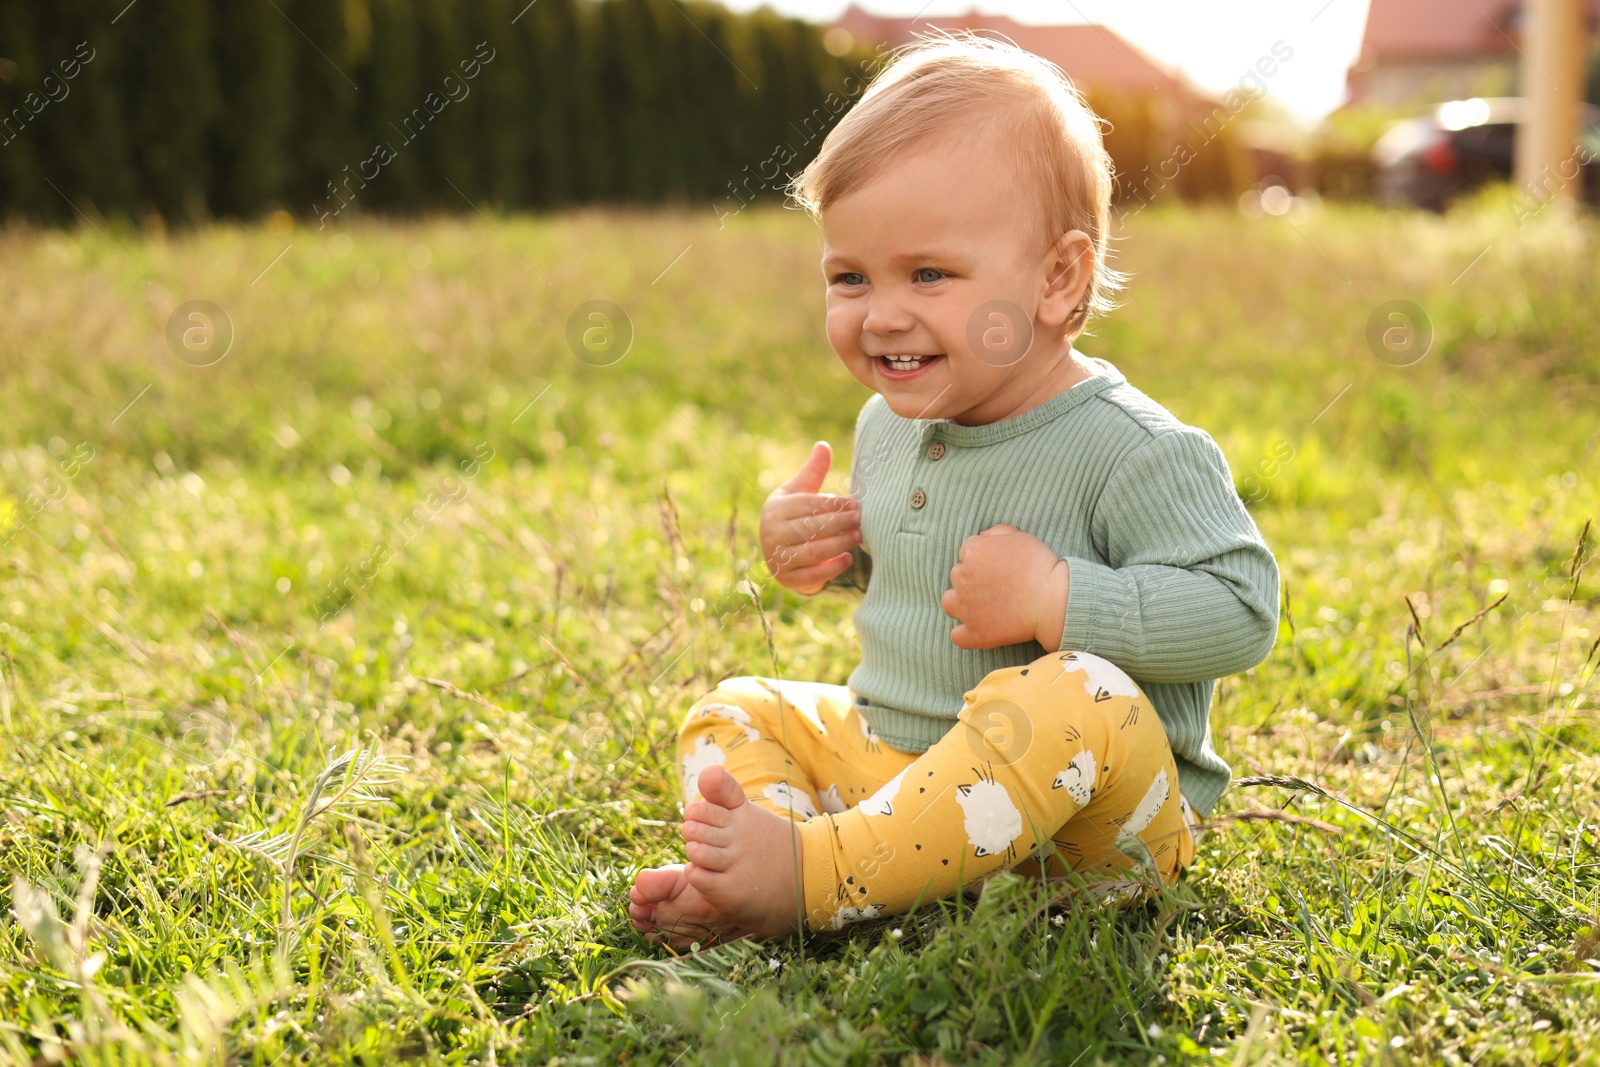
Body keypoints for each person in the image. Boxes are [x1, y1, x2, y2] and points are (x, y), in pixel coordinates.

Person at [629, 31, 1279, 947]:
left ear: (1059, 279)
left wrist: (1060, 597)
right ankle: (810, 855)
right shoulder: (887, 425)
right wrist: (825, 547)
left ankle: (811, 877)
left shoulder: (1130, 446)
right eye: (849, 276)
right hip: (901, 768)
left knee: (1077, 695)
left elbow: (1241, 611)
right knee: (736, 705)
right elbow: (910, 565)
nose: (883, 312)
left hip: (1085, 828)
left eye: (929, 273)